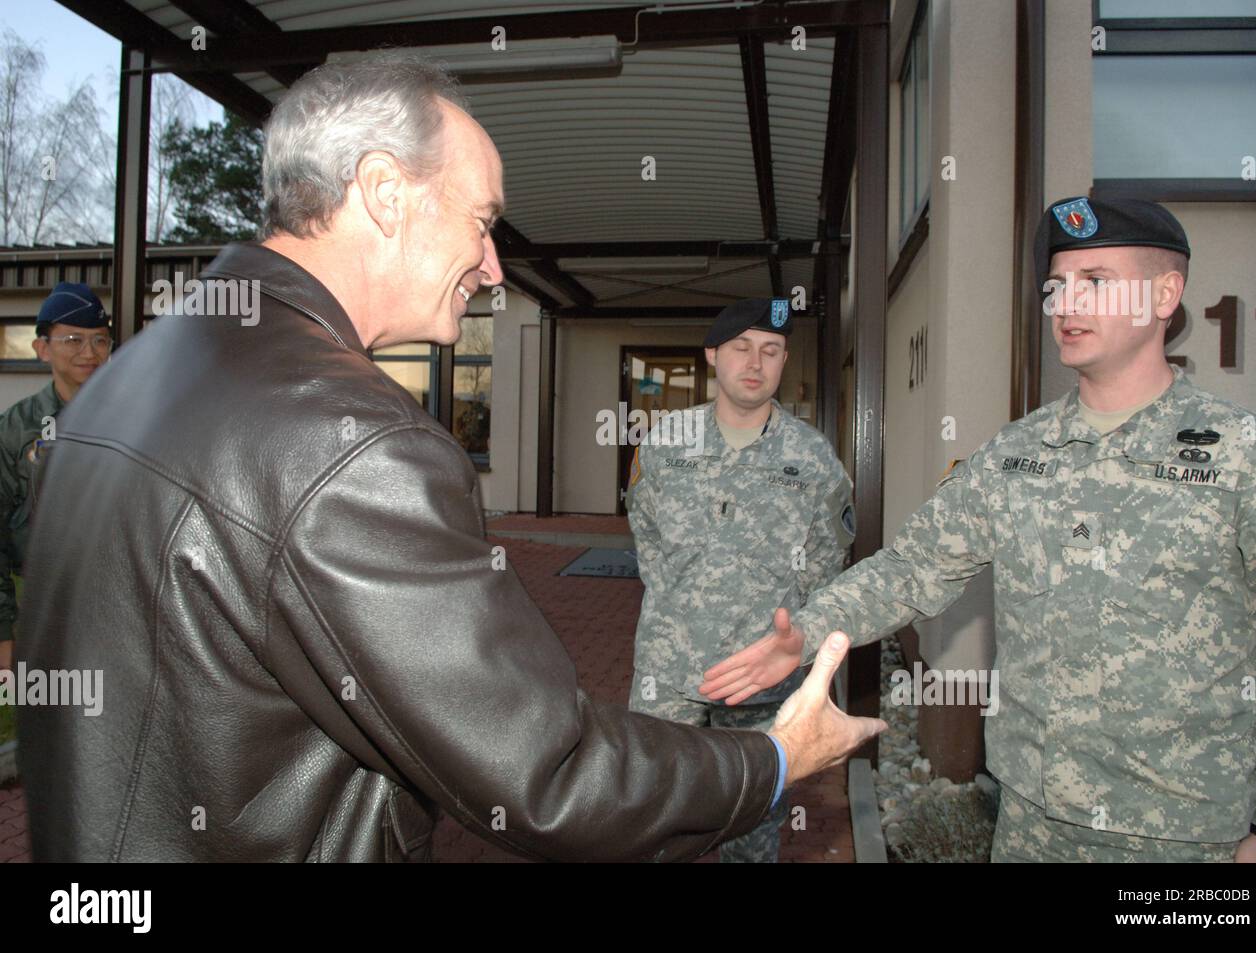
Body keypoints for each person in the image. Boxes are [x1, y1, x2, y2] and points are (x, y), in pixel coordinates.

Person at [16, 51, 881, 862]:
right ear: (386, 192)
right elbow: (546, 771)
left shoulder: (129, 377)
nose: (494, 266)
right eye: (482, 221)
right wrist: (771, 761)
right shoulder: (352, 437)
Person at [702, 196, 1256, 862]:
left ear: (1165, 293)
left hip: (1185, 837)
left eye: (1095, 281)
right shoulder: (1018, 454)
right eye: (1056, 286)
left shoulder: (1245, 457)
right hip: (1030, 824)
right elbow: (912, 567)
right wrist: (807, 632)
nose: (1065, 305)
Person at [627, 298, 855, 862]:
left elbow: (830, 559)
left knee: (752, 828)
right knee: (651, 814)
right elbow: (646, 536)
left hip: (762, 679)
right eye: (740, 348)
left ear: (783, 361)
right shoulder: (664, 443)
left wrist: (793, 637)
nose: (755, 363)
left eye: (771, 350)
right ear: (712, 356)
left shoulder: (813, 457)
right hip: (670, 670)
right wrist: (682, 607)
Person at [0, 283, 110, 674]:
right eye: (73, 340)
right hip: (41, 603)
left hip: (114, 603)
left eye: (99, 340)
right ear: (42, 348)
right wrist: (3, 635)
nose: (89, 352)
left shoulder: (132, 419)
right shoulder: (17, 428)